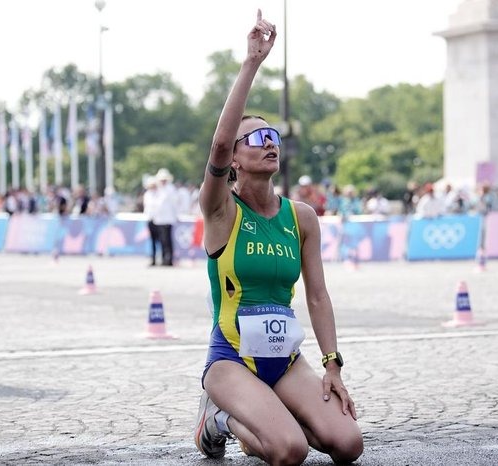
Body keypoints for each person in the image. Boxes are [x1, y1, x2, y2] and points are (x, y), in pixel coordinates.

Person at [193, 11, 363, 465]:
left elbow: (319, 296)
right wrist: (251, 63)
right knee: (289, 452)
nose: (270, 143)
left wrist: (332, 364)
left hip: (285, 360)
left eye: (274, 136)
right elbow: (217, 144)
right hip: (230, 359)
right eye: (257, 138)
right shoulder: (220, 210)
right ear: (235, 160)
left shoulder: (301, 217)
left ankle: (268, 414)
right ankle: (219, 420)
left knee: (347, 445)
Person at [154, 167, 178, 266]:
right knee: (162, 240)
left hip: (168, 219)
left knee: (168, 240)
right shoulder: (159, 190)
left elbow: (174, 204)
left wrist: (175, 216)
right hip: (160, 219)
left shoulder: (170, 189)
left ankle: (169, 259)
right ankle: (164, 258)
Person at [142, 176, 160, 266]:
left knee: (160, 241)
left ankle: (163, 258)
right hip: (150, 219)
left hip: (159, 220)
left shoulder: (159, 194)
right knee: (152, 241)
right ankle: (153, 258)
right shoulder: (147, 195)